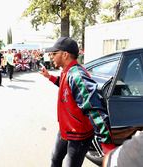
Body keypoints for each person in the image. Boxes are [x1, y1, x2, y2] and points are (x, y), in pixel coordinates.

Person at [40, 37, 115, 167]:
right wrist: (50, 77)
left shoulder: (77, 75)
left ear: (65, 54)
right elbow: (67, 89)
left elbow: (94, 109)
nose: (51, 56)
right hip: (65, 129)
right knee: (55, 159)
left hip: (79, 136)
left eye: (53, 53)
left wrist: (107, 144)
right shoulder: (67, 71)